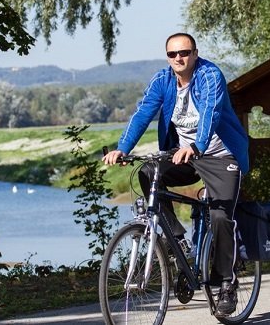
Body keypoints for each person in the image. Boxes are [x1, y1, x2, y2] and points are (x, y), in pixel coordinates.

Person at [102, 32, 249, 315]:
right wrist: (122, 148)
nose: (179, 59)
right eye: (172, 54)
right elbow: (143, 113)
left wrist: (197, 145)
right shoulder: (163, 80)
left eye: (184, 53)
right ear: (167, 57)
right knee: (148, 174)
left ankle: (226, 283)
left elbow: (211, 112)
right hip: (184, 155)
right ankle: (177, 238)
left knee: (220, 217)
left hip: (220, 155)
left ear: (195, 53)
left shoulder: (209, 75)